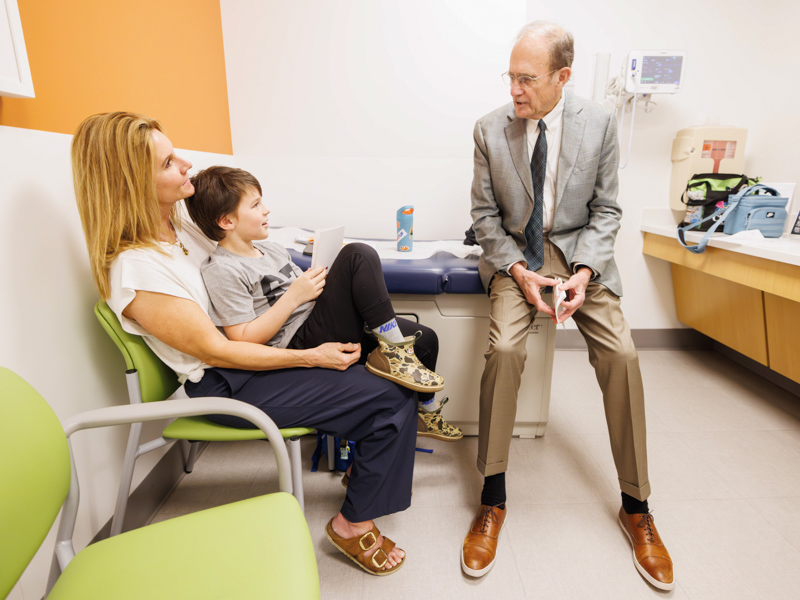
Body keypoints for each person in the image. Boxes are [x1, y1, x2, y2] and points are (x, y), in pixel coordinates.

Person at [72, 111, 416, 575]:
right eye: (169, 162)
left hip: (243, 364)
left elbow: (241, 247)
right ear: (132, 183)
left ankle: (366, 472)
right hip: (221, 385)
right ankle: (352, 525)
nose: (186, 164)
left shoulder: (179, 226)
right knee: (390, 394)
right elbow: (218, 351)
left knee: (396, 371)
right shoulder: (136, 270)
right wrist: (310, 357)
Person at [462, 22, 673, 590]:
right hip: (518, 261)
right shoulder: (489, 130)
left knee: (624, 357)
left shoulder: (600, 125)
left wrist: (582, 273)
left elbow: (607, 211)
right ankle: (492, 496)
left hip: (581, 257)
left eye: (526, 78)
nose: (515, 90)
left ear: (563, 77)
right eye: (510, 76)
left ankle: (637, 506)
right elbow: (485, 218)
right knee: (504, 349)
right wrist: (519, 270)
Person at [183, 165, 461, 440]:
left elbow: (303, 294)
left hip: (314, 318)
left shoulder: (270, 248)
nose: (266, 209)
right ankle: (394, 353)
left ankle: (427, 411)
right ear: (226, 221)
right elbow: (242, 339)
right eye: (255, 205)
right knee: (358, 255)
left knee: (424, 340)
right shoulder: (222, 269)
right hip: (295, 340)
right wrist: (294, 296)